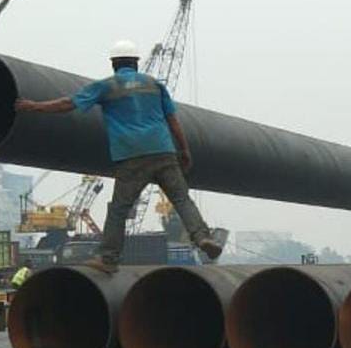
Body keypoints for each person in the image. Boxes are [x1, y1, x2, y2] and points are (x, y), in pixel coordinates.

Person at [14, 40, 222, 273]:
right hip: (164, 151)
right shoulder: (155, 85)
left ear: (113, 64)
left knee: (119, 209)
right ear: (136, 63)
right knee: (182, 199)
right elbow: (173, 120)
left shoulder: (106, 87)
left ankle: (108, 258)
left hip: (132, 156)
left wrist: (33, 106)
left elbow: (67, 104)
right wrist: (184, 150)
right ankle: (202, 237)